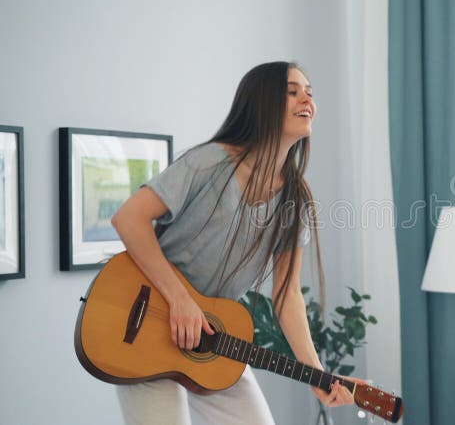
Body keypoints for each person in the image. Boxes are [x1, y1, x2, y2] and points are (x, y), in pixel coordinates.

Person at [111, 61, 355, 424]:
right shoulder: (208, 163)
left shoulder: (295, 200)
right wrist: (181, 301)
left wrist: (316, 371)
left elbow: (287, 294)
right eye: (292, 91)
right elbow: (128, 218)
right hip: (146, 323)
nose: (307, 99)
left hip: (211, 341)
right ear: (262, 103)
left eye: (309, 92)